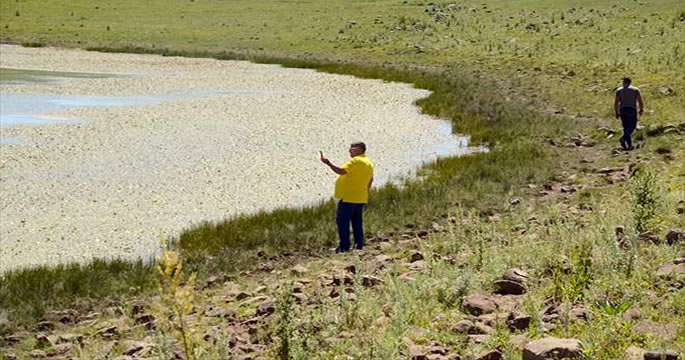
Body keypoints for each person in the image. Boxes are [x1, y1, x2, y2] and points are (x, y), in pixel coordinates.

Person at [320, 142, 374, 252]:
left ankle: (344, 247)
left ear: (360, 149)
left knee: (342, 222)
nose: (350, 151)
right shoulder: (369, 162)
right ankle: (359, 245)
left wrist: (328, 163)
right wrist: (365, 192)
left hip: (348, 197)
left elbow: (341, 171)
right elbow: (371, 179)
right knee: (357, 222)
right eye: (350, 149)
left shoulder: (355, 161)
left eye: (353, 149)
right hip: (360, 197)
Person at [614, 77, 644, 151]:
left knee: (625, 127)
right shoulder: (635, 90)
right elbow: (639, 100)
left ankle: (629, 145)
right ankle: (623, 138)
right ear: (630, 82)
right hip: (631, 109)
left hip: (622, 110)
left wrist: (616, 112)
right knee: (632, 126)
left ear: (623, 82)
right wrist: (641, 109)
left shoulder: (619, 90)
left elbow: (616, 103)